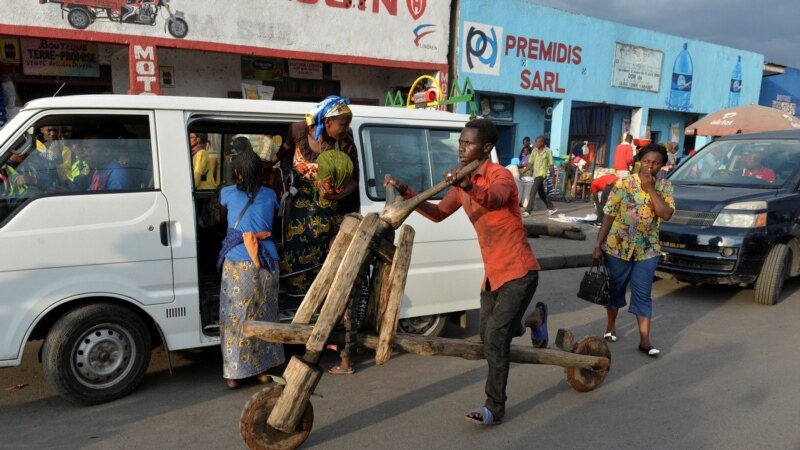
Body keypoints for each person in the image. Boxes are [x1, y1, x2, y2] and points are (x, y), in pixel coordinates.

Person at [385, 118, 541, 425]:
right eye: (459, 143)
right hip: (493, 274)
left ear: (486, 148)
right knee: (489, 335)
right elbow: (438, 214)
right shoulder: (460, 182)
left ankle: (494, 407)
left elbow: (494, 199)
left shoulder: (500, 177)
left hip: (519, 272)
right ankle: (534, 320)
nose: (461, 148)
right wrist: (407, 192)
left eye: (467, 144)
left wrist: (467, 184)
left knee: (495, 339)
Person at [269, 95, 361, 375]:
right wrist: (267, 164)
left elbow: (354, 181)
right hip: (299, 225)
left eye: (348, 123)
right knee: (302, 284)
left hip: (330, 223)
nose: (346, 128)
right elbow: (283, 151)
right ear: (327, 121)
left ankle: (340, 352)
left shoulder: (345, 145)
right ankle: (307, 343)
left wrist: (337, 192)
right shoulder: (298, 131)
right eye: (342, 123)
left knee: (336, 285)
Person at [592, 144, 674, 357]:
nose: (650, 166)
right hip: (618, 247)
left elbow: (666, 214)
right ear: (640, 161)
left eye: (656, 163)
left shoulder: (665, 187)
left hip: (648, 250)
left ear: (662, 165)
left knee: (643, 294)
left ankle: (645, 341)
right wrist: (597, 244)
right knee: (615, 289)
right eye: (647, 161)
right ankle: (610, 326)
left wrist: (651, 190)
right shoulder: (623, 184)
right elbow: (609, 214)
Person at [216, 148, 284, 389]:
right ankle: (263, 370)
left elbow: (224, 222)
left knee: (234, 317)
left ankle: (233, 375)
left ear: (237, 172)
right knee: (263, 315)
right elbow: (273, 219)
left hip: (237, 263)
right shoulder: (271, 194)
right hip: (266, 261)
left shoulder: (226, 193)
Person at [521, 135, 557, 217]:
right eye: (536, 142)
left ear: (542, 142)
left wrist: (554, 178)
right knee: (541, 193)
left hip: (542, 174)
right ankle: (551, 208)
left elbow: (551, 165)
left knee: (533, 191)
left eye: (537, 142)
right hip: (535, 174)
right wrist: (522, 172)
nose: (536, 143)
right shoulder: (534, 151)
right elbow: (530, 164)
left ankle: (528, 211)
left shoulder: (548, 151)